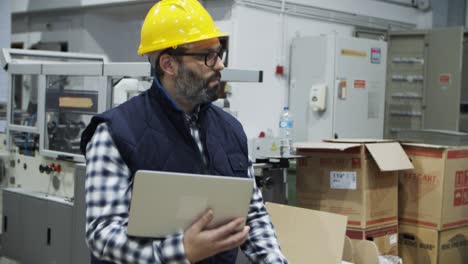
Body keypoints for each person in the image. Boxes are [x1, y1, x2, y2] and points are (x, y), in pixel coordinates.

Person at [80, 0, 288, 263]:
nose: (220, 65)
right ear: (169, 64)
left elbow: (253, 213)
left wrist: (274, 260)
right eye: (207, 56)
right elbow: (102, 234)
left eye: (219, 53)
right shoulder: (115, 133)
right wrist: (181, 252)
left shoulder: (230, 130)